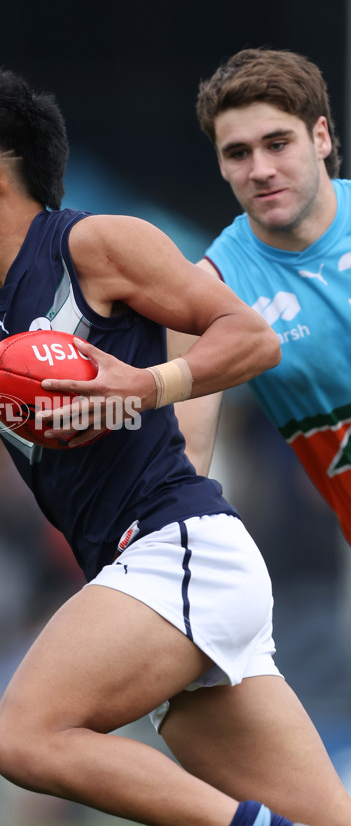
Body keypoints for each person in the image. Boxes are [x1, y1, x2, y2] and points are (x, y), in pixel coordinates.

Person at [0, 67, 350, 826]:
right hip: (147, 574)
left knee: (23, 736)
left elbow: (250, 339)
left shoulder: (97, 245)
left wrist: (146, 385)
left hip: (181, 548)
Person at [170, 49, 351, 558]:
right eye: (239, 153)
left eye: (277, 144)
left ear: (320, 137)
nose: (261, 169)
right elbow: (183, 464)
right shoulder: (210, 294)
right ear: (222, 166)